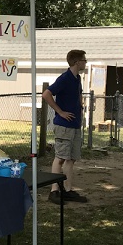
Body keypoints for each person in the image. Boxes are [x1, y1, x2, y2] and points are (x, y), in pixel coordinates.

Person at [42, 49, 88, 204]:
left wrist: (80, 106)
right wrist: (60, 112)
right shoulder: (64, 78)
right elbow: (46, 94)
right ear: (77, 62)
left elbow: (78, 95)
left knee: (71, 158)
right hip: (64, 126)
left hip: (75, 124)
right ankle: (54, 191)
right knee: (60, 157)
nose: (85, 63)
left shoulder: (77, 78)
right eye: (84, 60)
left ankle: (67, 190)